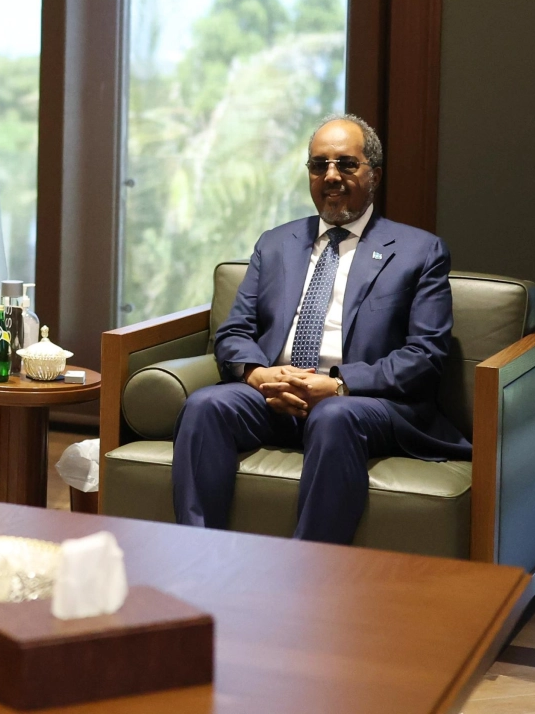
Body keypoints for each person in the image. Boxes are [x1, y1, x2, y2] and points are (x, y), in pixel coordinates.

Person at [172, 114, 469, 544]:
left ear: (374, 175)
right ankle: (197, 555)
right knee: (205, 406)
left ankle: (308, 569)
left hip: (362, 403)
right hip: (273, 394)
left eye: (346, 164)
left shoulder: (419, 251)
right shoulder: (275, 243)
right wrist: (258, 375)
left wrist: (338, 385)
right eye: (319, 165)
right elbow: (234, 331)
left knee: (333, 415)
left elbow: (425, 355)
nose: (330, 176)